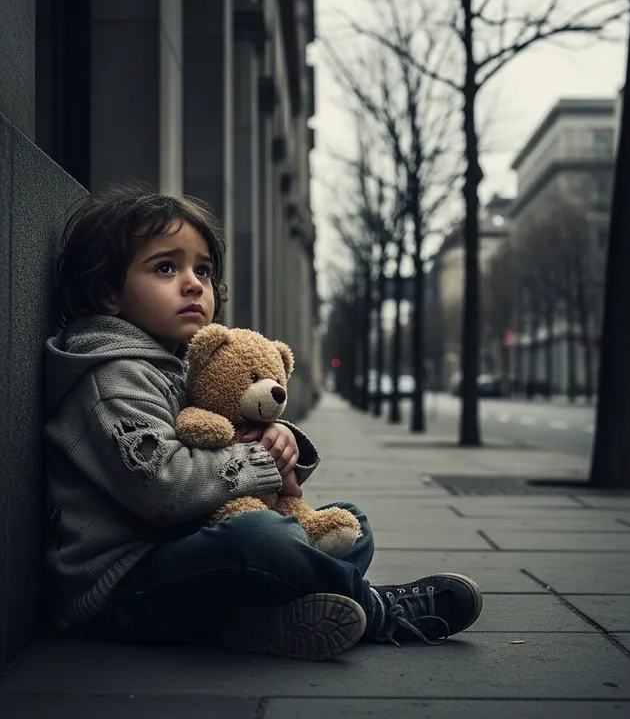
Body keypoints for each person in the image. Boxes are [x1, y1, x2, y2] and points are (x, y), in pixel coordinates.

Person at [43, 186, 482, 662]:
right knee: (260, 539)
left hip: (188, 555)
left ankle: (260, 622)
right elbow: (163, 488)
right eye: (165, 268)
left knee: (349, 522)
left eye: (202, 270)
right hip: (124, 588)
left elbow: (224, 436)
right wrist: (260, 460)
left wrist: (280, 440)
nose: (193, 284)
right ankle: (379, 609)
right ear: (109, 293)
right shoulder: (112, 377)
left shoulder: (178, 366)